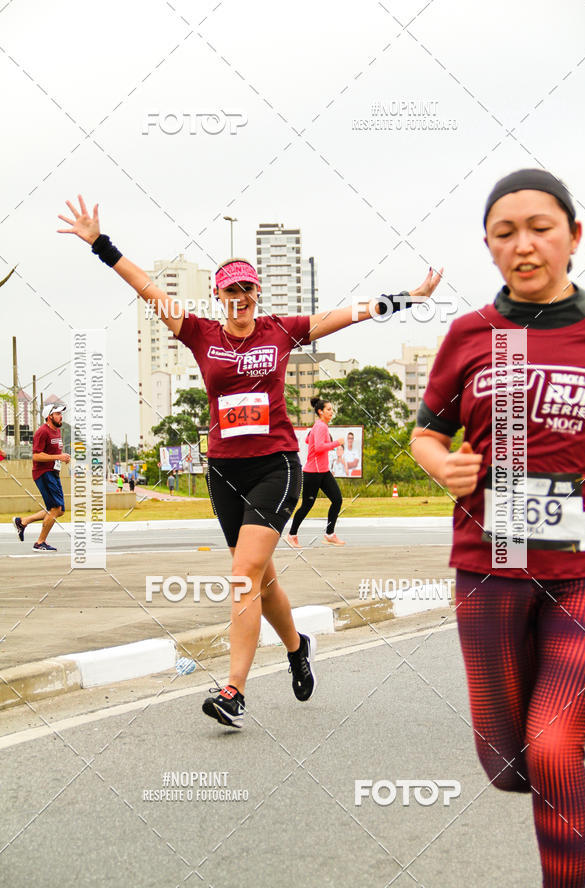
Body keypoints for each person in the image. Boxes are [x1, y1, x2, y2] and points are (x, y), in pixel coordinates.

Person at [58, 194, 441, 729]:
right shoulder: (199, 333)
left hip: (275, 465)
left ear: (257, 294)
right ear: (219, 296)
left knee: (241, 573)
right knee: (260, 577)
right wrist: (101, 244)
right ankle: (296, 645)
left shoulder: (281, 330)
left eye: (246, 289)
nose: (239, 298)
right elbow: (146, 288)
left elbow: (349, 314)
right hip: (224, 472)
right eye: (230, 291)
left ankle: (234, 689)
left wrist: (409, 297)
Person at [412, 168, 585, 888]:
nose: (524, 245)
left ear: (573, 237)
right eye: (505, 233)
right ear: (489, 247)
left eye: (541, 228)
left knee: (554, 748)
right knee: (507, 762)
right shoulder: (469, 335)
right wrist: (442, 467)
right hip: (488, 569)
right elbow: (427, 432)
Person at [286, 397, 346, 548]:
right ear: (320, 412)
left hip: (323, 471)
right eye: (328, 409)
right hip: (313, 473)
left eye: (332, 409)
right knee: (307, 505)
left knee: (337, 499)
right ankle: (291, 535)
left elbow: (308, 441)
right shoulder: (321, 427)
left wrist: (313, 436)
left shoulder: (318, 426)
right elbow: (318, 447)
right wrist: (337, 443)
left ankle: (330, 534)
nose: (331, 412)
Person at [13, 403, 70, 551]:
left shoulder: (56, 431)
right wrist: (59, 456)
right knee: (56, 508)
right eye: (57, 414)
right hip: (43, 473)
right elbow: (36, 455)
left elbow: (53, 454)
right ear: (49, 416)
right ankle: (40, 543)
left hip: (53, 473)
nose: (60, 416)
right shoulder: (42, 432)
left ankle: (23, 521)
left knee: (60, 510)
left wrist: (62, 458)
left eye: (61, 414)